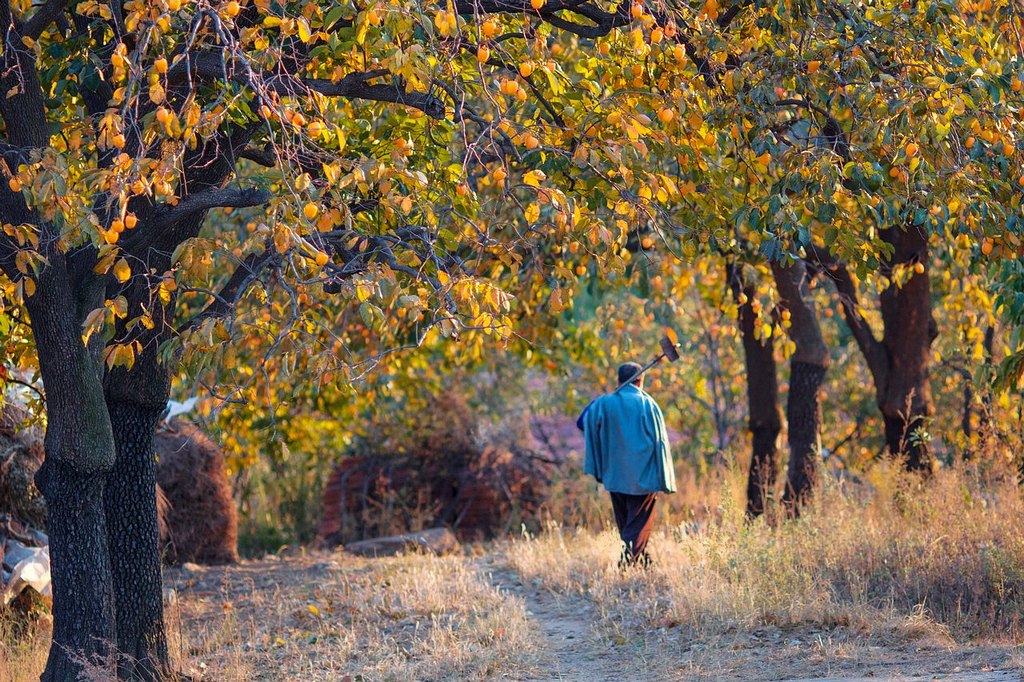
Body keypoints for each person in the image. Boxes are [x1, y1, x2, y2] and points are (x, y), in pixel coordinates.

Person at [581, 362, 675, 567]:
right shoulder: (648, 405)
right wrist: (664, 477)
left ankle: (642, 562)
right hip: (644, 477)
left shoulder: (604, 403)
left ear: (618, 380)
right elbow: (660, 442)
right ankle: (628, 564)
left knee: (627, 526)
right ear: (641, 381)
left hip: (615, 475)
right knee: (637, 525)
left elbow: (583, 421)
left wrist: (600, 402)